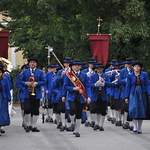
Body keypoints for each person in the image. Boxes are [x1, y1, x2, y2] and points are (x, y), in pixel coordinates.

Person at [64, 59, 91, 137]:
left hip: (81, 96)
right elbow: (65, 86)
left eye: (78, 66)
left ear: (80, 67)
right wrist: (72, 89)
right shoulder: (69, 75)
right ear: (72, 67)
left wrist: (88, 96)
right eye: (75, 66)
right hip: (72, 96)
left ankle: (77, 130)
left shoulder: (84, 75)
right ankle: (72, 123)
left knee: (79, 113)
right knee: (72, 109)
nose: (77, 67)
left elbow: (87, 87)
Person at [20, 58, 46, 132]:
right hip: (27, 93)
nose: (32, 64)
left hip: (36, 92)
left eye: (34, 62)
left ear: (36, 64)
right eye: (31, 62)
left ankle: (34, 125)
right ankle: (27, 124)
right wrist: (25, 83)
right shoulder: (24, 72)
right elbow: (20, 81)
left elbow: (44, 81)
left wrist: (37, 83)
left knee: (35, 109)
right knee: (27, 108)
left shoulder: (40, 72)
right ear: (29, 64)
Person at [125, 61, 150, 134]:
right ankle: (135, 126)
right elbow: (128, 86)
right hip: (133, 93)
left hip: (142, 93)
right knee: (133, 109)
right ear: (133, 67)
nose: (137, 68)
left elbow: (147, 84)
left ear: (140, 68)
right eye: (135, 66)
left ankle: (139, 127)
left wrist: (149, 92)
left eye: (138, 66)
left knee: (141, 109)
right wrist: (126, 96)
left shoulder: (145, 74)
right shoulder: (130, 75)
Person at [90, 63, 110, 131]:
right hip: (95, 94)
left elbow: (110, 84)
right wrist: (96, 83)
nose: (99, 70)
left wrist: (104, 82)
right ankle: (96, 123)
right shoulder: (93, 76)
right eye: (98, 69)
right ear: (96, 69)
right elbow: (90, 85)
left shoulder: (106, 76)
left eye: (101, 69)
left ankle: (101, 125)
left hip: (103, 94)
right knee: (94, 109)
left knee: (103, 110)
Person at [118, 58, 134, 130]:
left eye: (130, 64)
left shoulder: (135, 70)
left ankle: (131, 123)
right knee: (125, 108)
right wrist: (126, 81)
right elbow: (119, 81)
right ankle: (125, 122)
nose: (129, 65)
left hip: (133, 91)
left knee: (133, 107)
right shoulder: (122, 71)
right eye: (128, 64)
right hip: (124, 91)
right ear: (126, 65)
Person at [16, 64, 29, 128]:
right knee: (23, 108)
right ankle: (24, 121)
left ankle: (29, 121)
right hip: (23, 94)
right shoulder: (21, 75)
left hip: (30, 94)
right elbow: (18, 84)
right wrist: (23, 89)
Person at [0, 68, 11, 136]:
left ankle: (0, 126)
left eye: (0, 72)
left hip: (2, 97)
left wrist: (9, 99)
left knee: (2, 113)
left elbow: (7, 89)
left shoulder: (5, 79)